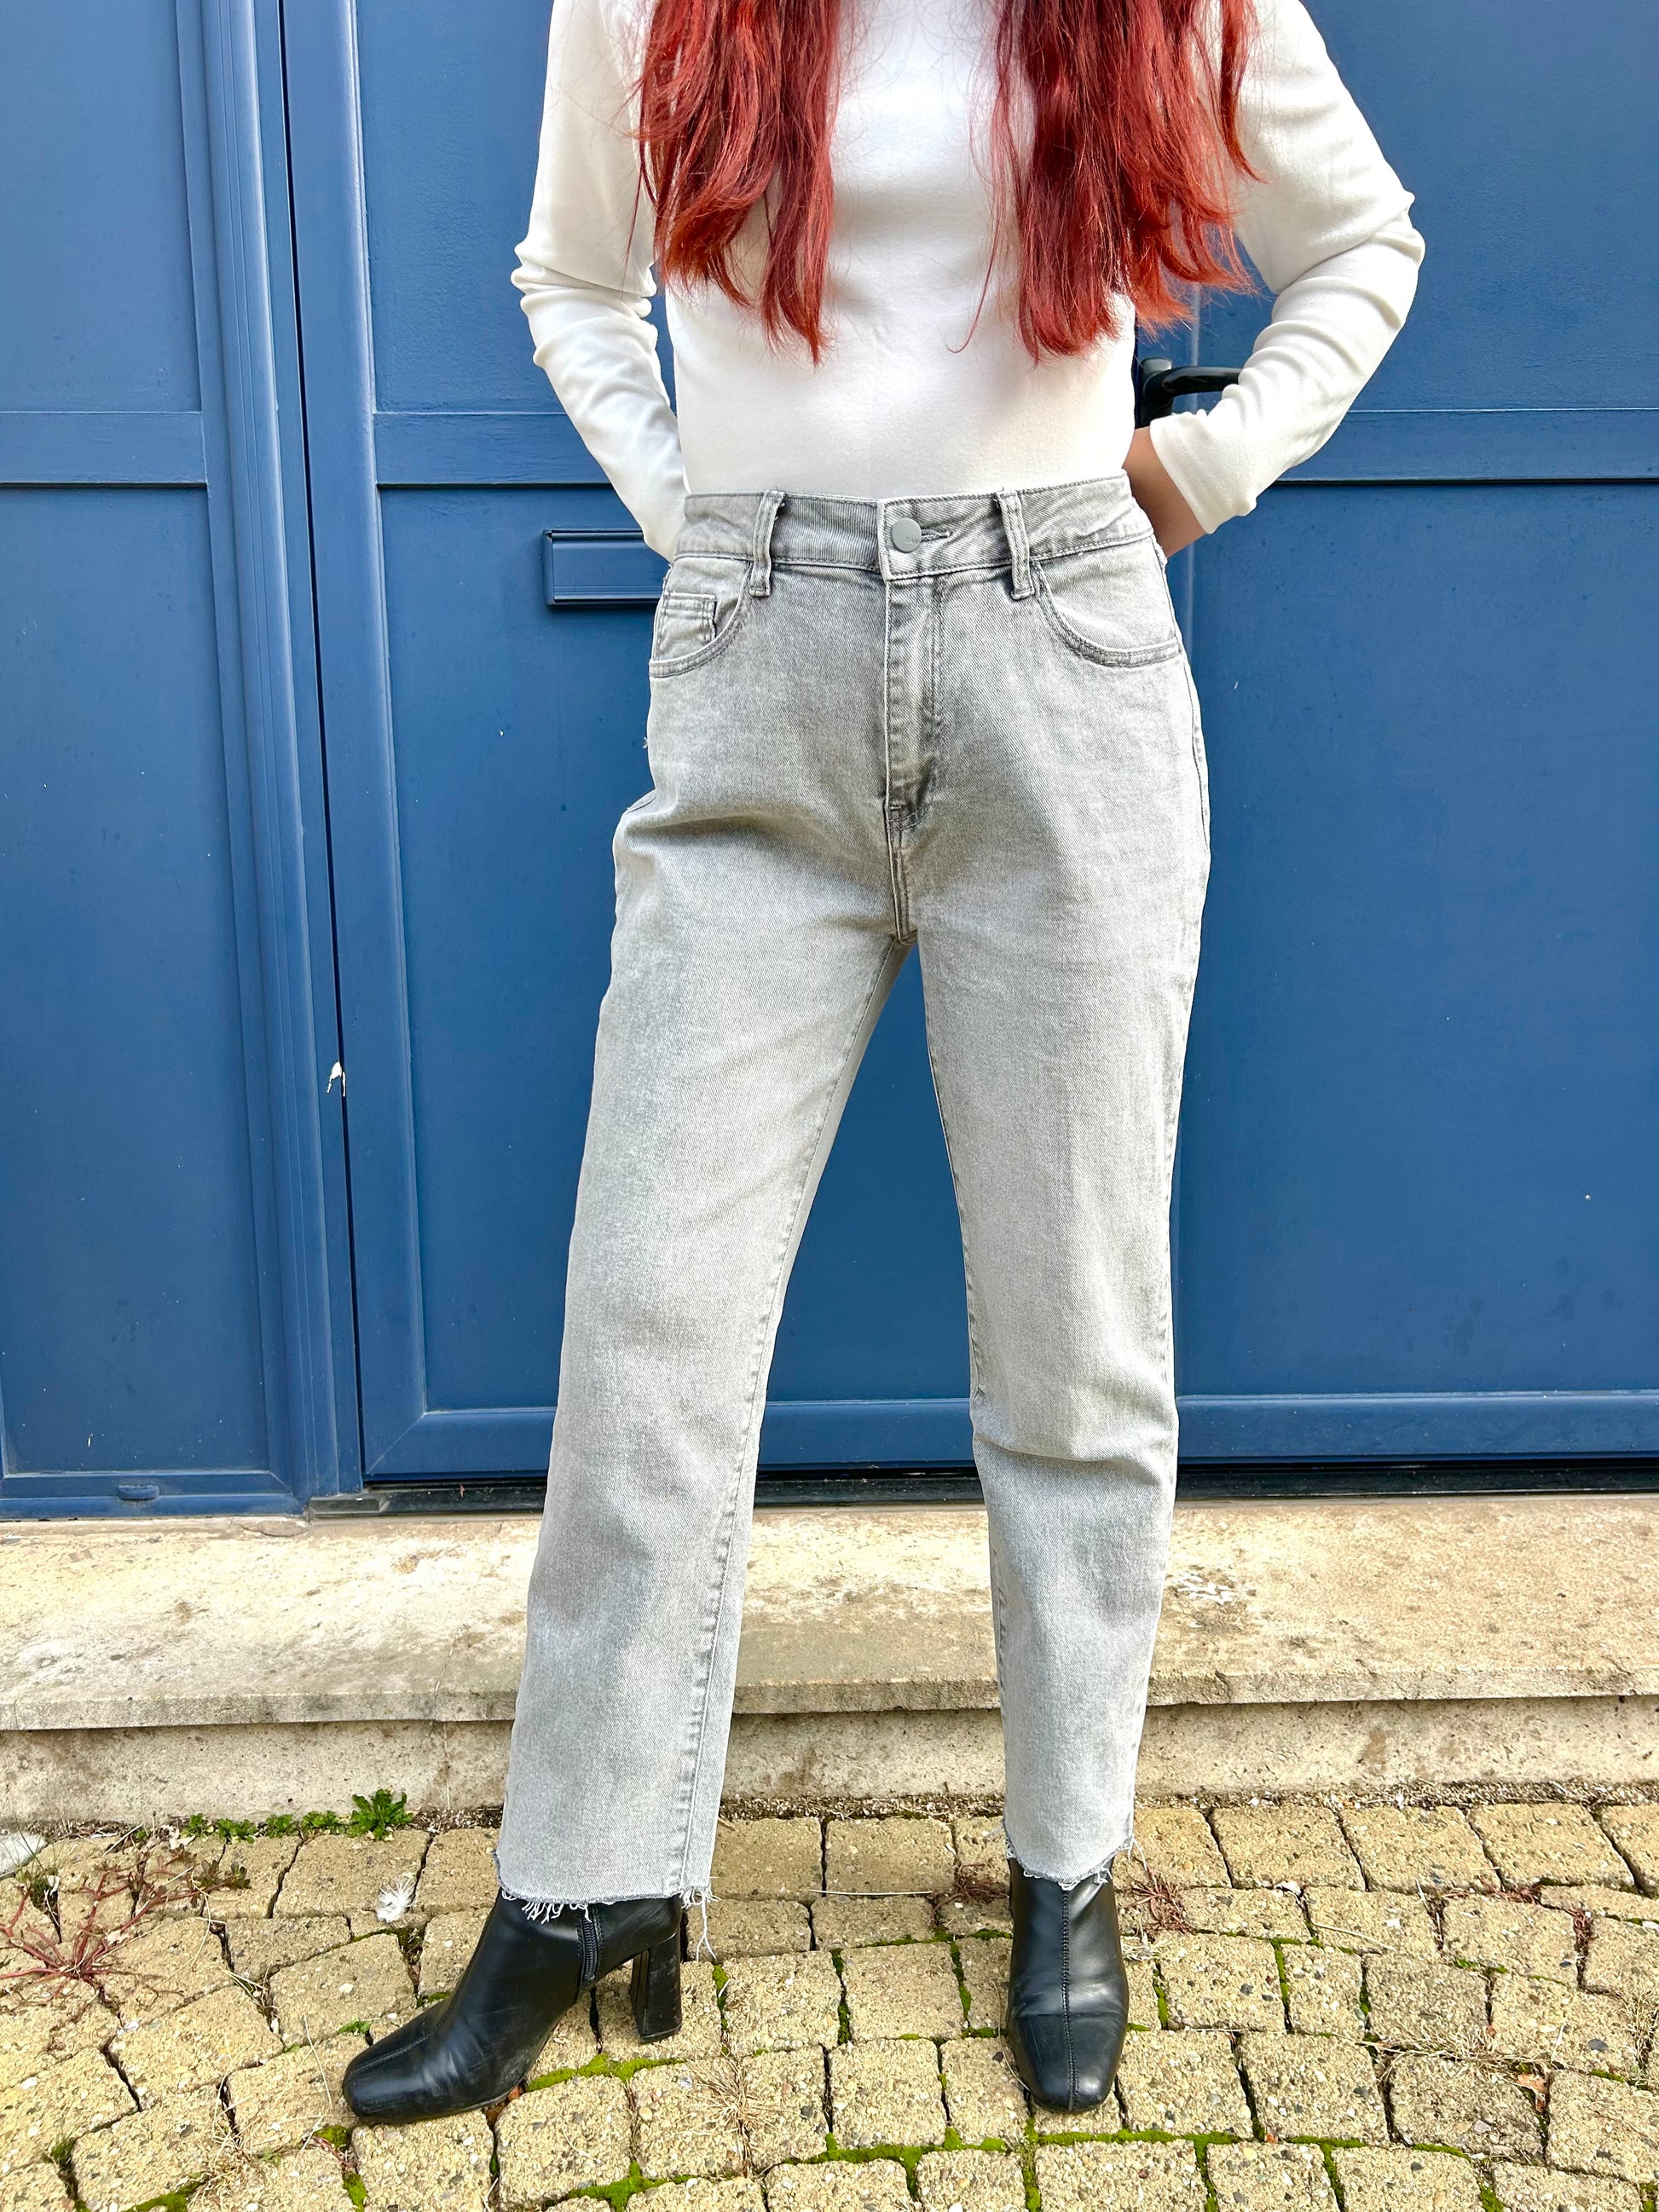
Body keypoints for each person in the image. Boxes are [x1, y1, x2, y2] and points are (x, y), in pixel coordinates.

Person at [344, 0, 1421, 2123]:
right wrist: (694, 513)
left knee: (1077, 1332)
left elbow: (1362, 243)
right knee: (647, 1313)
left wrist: (1196, 468)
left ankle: (1065, 1863)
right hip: (763, 658)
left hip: (1066, 655)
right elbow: (569, 277)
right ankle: (579, 1885)